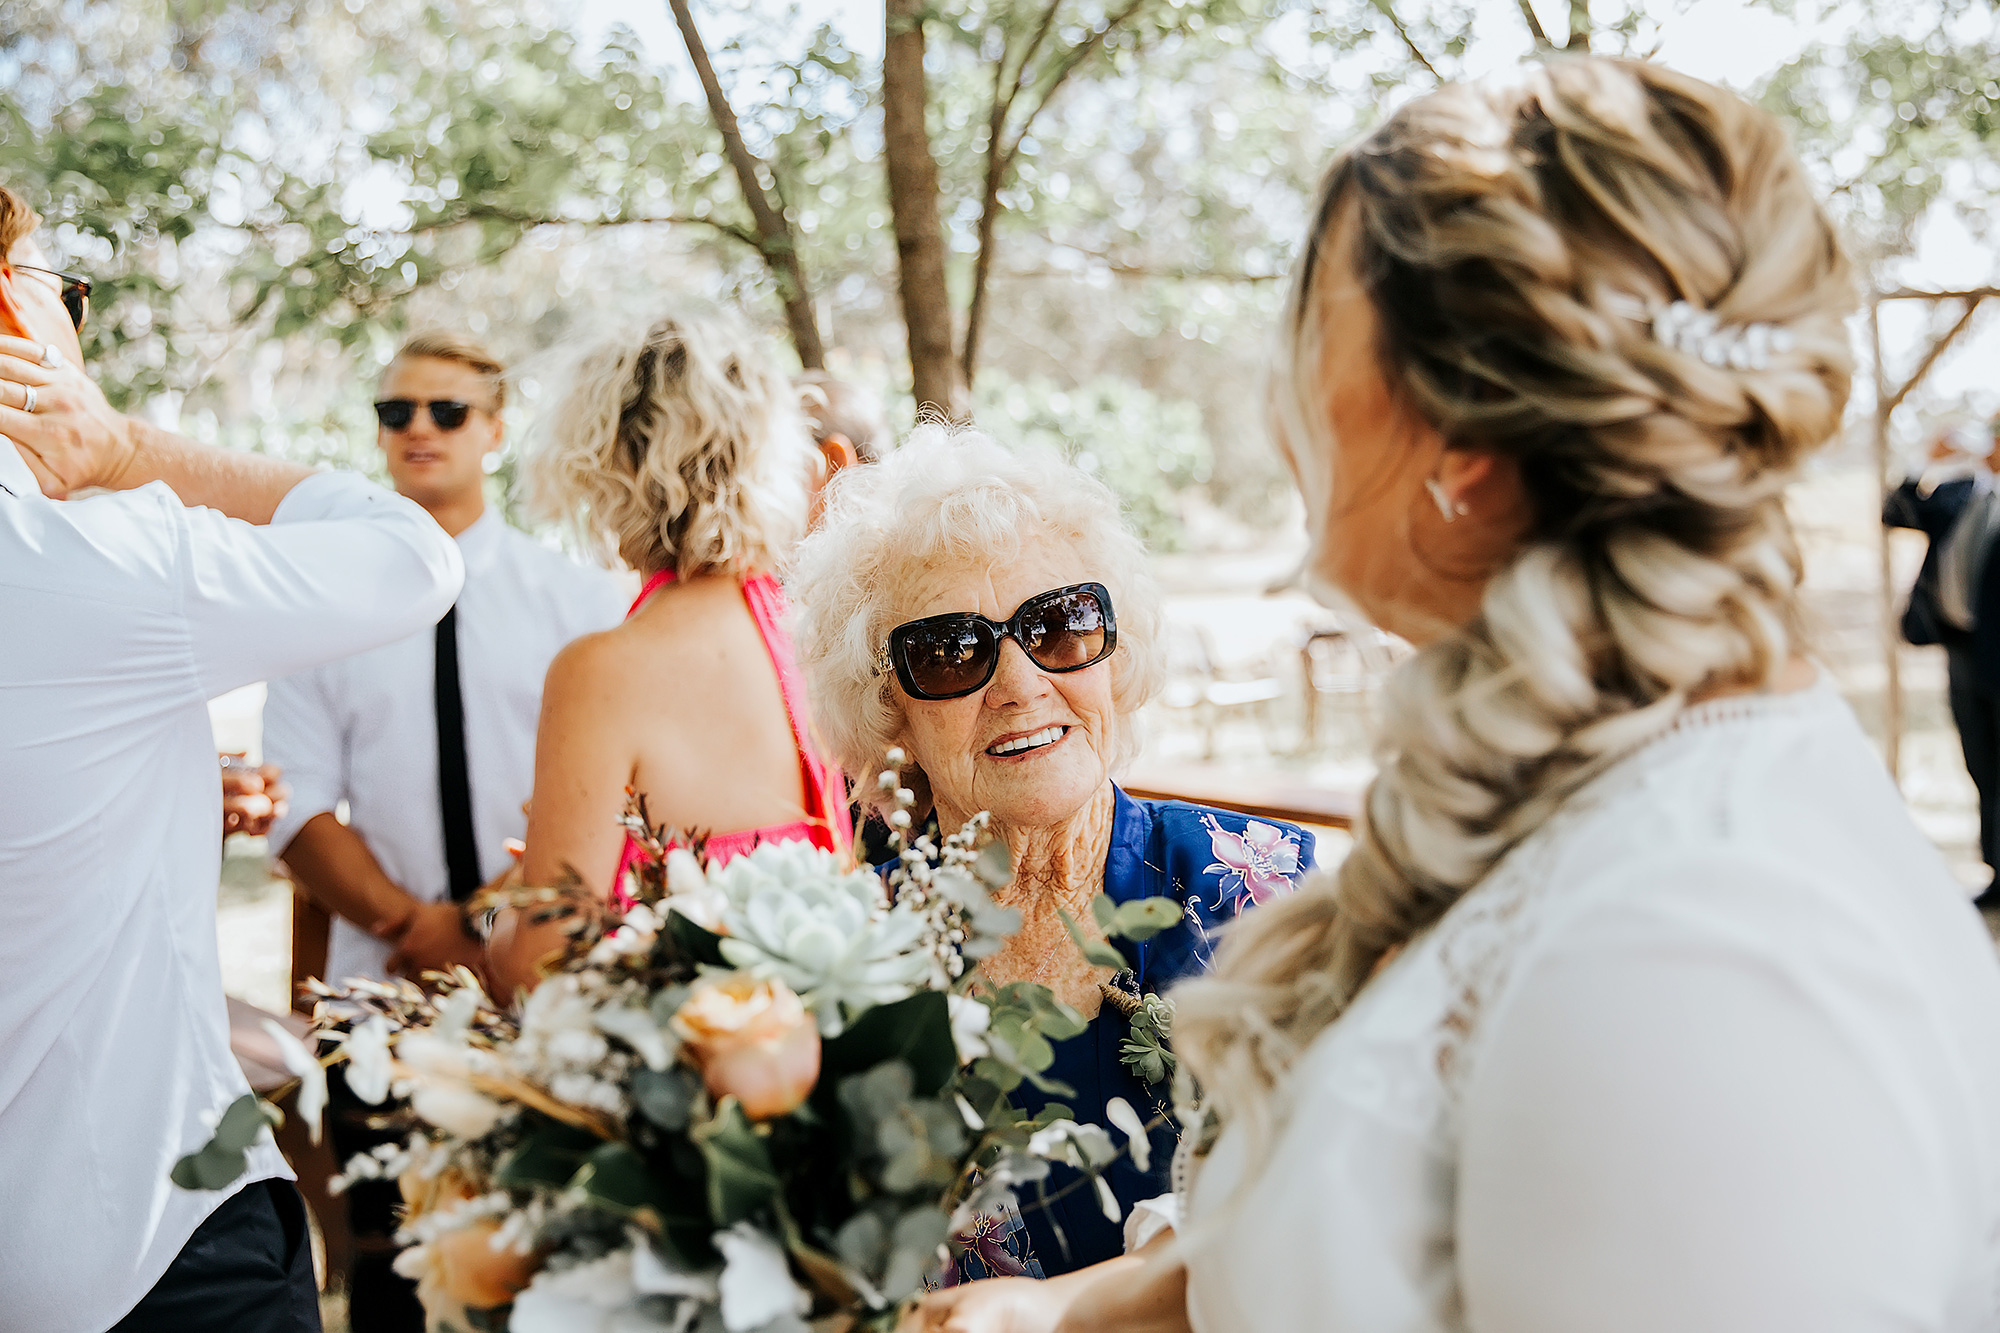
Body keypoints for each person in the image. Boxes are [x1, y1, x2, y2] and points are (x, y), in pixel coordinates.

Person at [916, 58, 2000, 1333]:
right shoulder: (1593, 775)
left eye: (1314, 341)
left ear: (1463, 462)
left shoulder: (1699, 955)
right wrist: (1072, 1316)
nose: (1282, 418)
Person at [0, 185, 463, 1333]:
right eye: (65, 294)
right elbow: (410, 556)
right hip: (146, 1246)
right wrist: (121, 449)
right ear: (13, 322)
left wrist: (129, 794)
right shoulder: (97, 558)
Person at [790, 426, 1314, 1287]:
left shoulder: (1263, 889)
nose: (1021, 683)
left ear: (1114, 649)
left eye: (1060, 625)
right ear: (890, 710)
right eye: (951, 651)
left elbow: (1335, 1205)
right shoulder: (848, 970)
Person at [260, 330, 623, 1329]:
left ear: (494, 431)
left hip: (541, 993)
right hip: (376, 995)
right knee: (392, 1270)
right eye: (396, 412)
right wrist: (413, 926)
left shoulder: (580, 601)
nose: (420, 429)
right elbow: (292, 800)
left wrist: (485, 926)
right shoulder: (319, 607)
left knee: (548, 1265)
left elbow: (612, 792)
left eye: (447, 410)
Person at [484, 308, 854, 998]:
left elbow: (538, 967)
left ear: (601, 464)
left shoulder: (601, 671)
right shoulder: (808, 639)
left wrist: (511, 901)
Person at [1885, 417, 2000, 908]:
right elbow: (1895, 513)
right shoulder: (1959, 494)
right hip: (1963, 655)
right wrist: (1925, 461)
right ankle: (1998, 871)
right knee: (1982, 766)